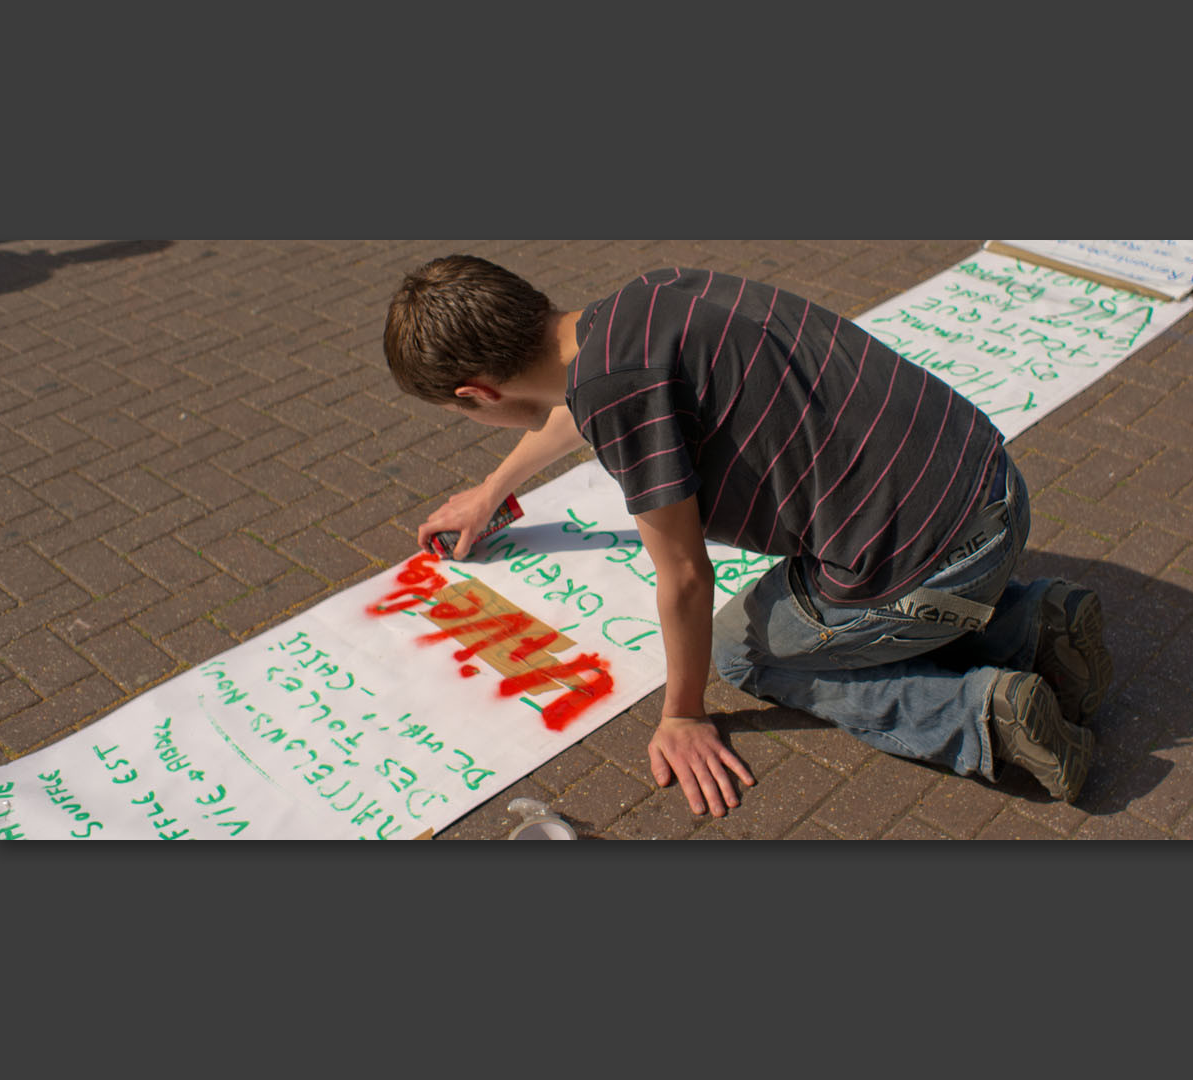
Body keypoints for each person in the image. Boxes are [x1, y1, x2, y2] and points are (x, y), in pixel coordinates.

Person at [383, 255, 1113, 819]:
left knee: (742, 650)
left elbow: (685, 576)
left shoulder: (617, 392)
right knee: (826, 595)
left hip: (940, 559)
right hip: (991, 481)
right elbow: (581, 405)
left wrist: (683, 713)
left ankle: (981, 716)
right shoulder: (642, 303)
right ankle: (1030, 624)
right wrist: (491, 492)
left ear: (475, 395)